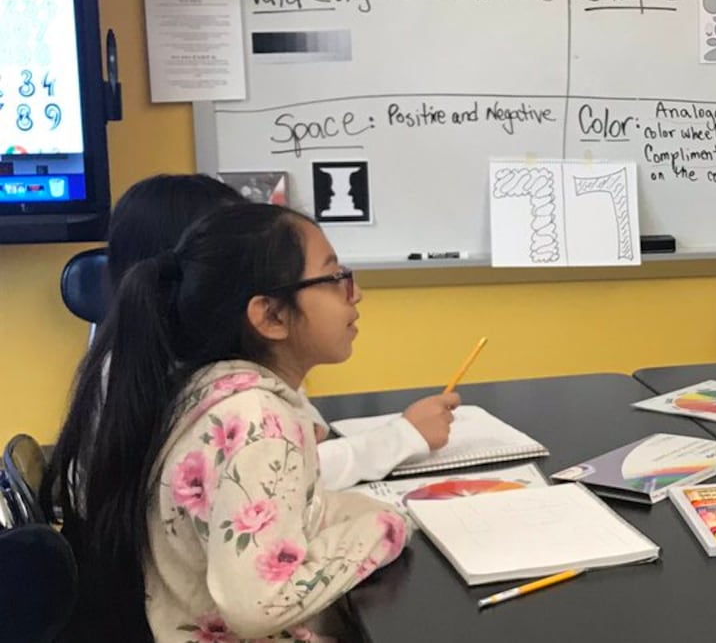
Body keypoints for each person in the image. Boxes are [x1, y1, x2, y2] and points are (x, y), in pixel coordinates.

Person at [42, 204, 409, 643]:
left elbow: (297, 512)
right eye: (334, 279)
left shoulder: (212, 389)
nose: (355, 294)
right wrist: (386, 530)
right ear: (271, 316)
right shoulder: (261, 424)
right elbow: (259, 607)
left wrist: (380, 512)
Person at [104, 174, 458, 490]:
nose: (355, 294)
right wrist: (401, 441)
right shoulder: (225, 400)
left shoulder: (228, 369)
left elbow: (307, 440)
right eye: (335, 278)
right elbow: (286, 476)